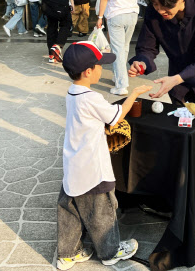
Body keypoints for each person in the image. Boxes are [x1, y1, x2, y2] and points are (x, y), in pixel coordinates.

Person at [57, 40, 152, 270]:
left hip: (74, 166)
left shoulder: (72, 92)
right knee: (102, 211)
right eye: (100, 65)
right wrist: (135, 92)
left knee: (69, 208)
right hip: (93, 168)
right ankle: (110, 252)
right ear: (89, 72)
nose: (103, 68)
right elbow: (116, 116)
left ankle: (68, 254)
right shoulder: (91, 98)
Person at [96, 0, 143, 95]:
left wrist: (99, 17)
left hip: (116, 15)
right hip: (132, 14)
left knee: (117, 50)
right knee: (124, 47)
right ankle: (119, 78)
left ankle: (121, 85)